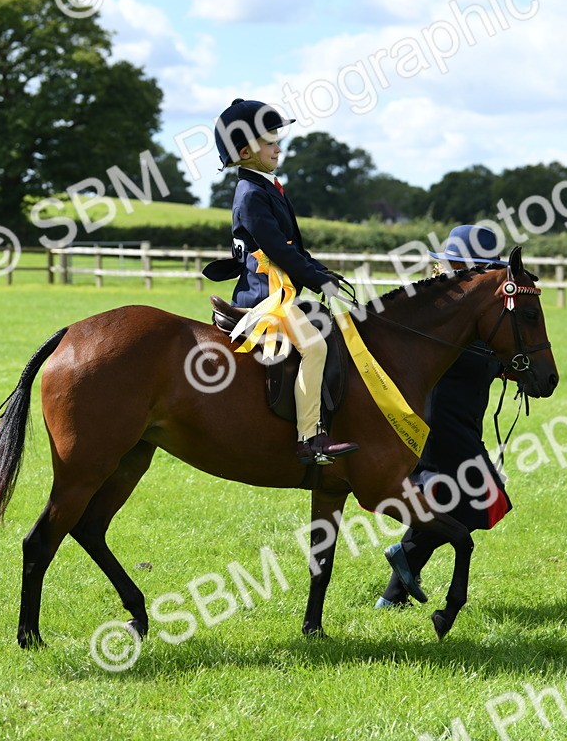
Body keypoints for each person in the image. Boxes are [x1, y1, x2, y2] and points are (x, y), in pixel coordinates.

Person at [209, 98, 358, 465]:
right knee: (315, 348)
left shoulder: (266, 187)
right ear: (245, 151)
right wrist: (317, 280)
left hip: (280, 290)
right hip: (265, 297)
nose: (279, 146)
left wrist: (322, 272)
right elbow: (278, 251)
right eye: (270, 141)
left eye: (278, 139)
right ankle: (310, 438)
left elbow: (293, 247)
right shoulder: (252, 194)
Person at [376, 225, 514, 608]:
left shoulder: (460, 300)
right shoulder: (442, 303)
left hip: (462, 409)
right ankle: (400, 564)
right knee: (480, 497)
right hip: (445, 412)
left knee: (450, 497)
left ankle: (393, 596)